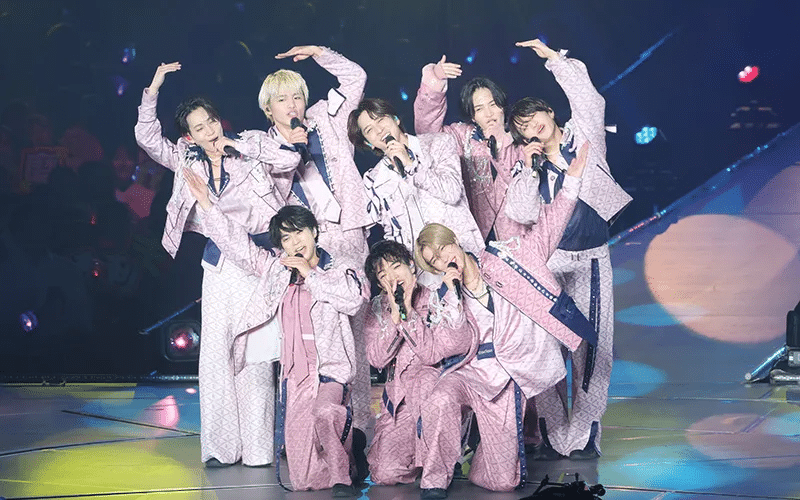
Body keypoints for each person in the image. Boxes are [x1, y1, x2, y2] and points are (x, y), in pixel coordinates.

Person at [134, 62, 299, 467]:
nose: (210, 130)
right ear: (189, 136)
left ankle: (258, 450)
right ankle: (222, 448)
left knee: (255, 354)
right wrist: (153, 88)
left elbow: (288, 160)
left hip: (258, 261)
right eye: (200, 127)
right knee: (215, 355)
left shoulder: (249, 144)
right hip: (219, 266)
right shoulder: (185, 159)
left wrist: (238, 148)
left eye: (211, 121)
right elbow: (147, 137)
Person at [413, 143, 596, 498]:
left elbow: (547, 230)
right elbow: (451, 344)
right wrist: (452, 297)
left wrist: (571, 183)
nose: (442, 259)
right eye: (433, 261)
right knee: (439, 399)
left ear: (454, 242)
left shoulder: (506, 258)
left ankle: (482, 453)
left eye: (442, 248)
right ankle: (434, 481)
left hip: (507, 374)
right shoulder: (442, 295)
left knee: (502, 482)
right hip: (468, 371)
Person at [185, 177, 369, 496]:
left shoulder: (339, 269)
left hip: (330, 372)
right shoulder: (277, 271)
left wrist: (311, 274)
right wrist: (207, 206)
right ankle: (348, 452)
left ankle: (345, 474)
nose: (295, 242)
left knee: (326, 414)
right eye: (286, 238)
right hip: (295, 376)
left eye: (299, 233)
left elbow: (353, 300)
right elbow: (239, 247)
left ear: (314, 232)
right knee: (304, 480)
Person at [506, 39, 632, 460]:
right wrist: (529, 170)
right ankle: (553, 431)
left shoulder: (584, 136)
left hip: (590, 259)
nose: (532, 127)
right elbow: (521, 212)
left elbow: (589, 98)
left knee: (592, 349)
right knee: (545, 350)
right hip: (549, 265)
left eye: (535, 117)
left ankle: (585, 433)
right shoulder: (530, 165)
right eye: (523, 126)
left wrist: (555, 61)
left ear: (549, 112)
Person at [258, 45, 375, 437]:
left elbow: (355, 77)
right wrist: (289, 151)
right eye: (282, 99)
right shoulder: (262, 149)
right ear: (268, 109)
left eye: (297, 96)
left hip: (349, 232)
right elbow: (271, 202)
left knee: (354, 334)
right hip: (304, 243)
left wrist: (320, 53)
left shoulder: (326, 116)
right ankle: (308, 428)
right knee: (312, 336)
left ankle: (359, 428)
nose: (292, 104)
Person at [362, 239, 474, 486]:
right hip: (398, 400)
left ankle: (442, 462)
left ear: (411, 265)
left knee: (428, 387)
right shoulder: (377, 308)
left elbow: (432, 354)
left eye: (396, 267)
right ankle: (419, 455)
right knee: (385, 474)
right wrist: (395, 316)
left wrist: (408, 314)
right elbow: (376, 359)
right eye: (383, 275)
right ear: (379, 283)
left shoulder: (435, 298)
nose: (392, 277)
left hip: (432, 390)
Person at [348, 97, 483, 258]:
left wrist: (411, 165)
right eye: (369, 130)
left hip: (462, 249)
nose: (379, 130)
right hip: (420, 265)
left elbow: (452, 193)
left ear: (395, 119)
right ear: (368, 143)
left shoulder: (438, 143)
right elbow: (390, 230)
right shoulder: (374, 179)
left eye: (381, 120)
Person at [413, 56, 527, 243]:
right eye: (479, 109)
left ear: (502, 106)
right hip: (476, 239)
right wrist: (435, 81)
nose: (489, 113)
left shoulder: (522, 139)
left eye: (493, 104)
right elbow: (428, 133)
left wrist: (502, 142)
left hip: (521, 240)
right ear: (473, 116)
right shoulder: (463, 138)